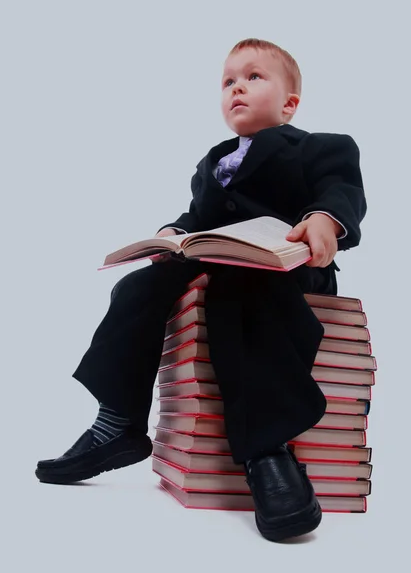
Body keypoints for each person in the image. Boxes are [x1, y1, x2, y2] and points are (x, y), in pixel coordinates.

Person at [35, 38, 367, 542]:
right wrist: (172, 233)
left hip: (286, 267)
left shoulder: (321, 146)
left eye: (254, 77)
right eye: (228, 80)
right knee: (139, 288)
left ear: (289, 103)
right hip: (221, 260)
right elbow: (199, 221)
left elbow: (341, 190)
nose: (237, 87)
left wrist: (326, 219)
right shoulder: (211, 164)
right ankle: (118, 419)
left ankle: (267, 447)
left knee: (239, 292)